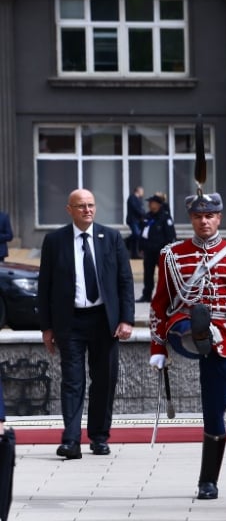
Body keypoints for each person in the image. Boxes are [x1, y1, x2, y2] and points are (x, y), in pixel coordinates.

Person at [148, 191, 226, 500]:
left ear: (219, 218)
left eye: (209, 216)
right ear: (191, 220)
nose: (204, 221)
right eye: (198, 217)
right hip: (181, 327)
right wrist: (158, 347)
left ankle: (207, 481)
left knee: (215, 410)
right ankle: (196, 333)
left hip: (223, 337)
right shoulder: (171, 254)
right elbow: (160, 304)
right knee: (187, 324)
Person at [38, 189, 135, 459]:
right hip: (69, 322)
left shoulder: (111, 237)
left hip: (104, 320)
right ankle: (70, 440)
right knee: (72, 381)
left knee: (104, 380)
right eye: (81, 206)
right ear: (69, 210)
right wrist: (46, 327)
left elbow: (125, 281)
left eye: (91, 205)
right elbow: (44, 286)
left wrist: (126, 319)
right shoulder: (55, 241)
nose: (87, 210)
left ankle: (99, 437)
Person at [137, 193, 176, 303]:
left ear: (158, 204)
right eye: (149, 203)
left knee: (165, 274)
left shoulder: (165, 217)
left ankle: (167, 296)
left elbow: (170, 236)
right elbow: (142, 233)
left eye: (152, 202)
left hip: (160, 251)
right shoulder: (148, 216)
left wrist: (167, 251)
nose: (149, 204)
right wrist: (141, 247)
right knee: (148, 274)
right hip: (148, 251)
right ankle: (146, 295)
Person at [126, 185, 145, 259]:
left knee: (137, 236)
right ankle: (127, 242)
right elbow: (136, 209)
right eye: (142, 191)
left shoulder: (138, 199)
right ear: (138, 191)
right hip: (133, 220)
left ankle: (135, 252)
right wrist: (143, 214)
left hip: (138, 220)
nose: (143, 193)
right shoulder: (132, 198)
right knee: (136, 234)